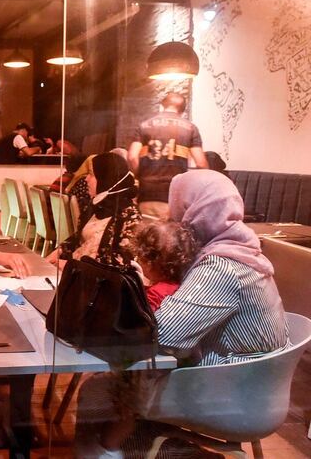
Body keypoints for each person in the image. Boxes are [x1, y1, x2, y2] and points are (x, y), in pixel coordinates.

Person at [75, 170, 289, 458]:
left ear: (191, 212)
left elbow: (161, 335)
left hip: (232, 392)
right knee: (110, 389)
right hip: (256, 386)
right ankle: (152, 446)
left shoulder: (220, 266)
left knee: (97, 393)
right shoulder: (243, 249)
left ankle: (121, 450)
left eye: (176, 206)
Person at [48, 152, 140, 267]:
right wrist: (58, 251)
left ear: (106, 179)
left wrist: (71, 265)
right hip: (74, 271)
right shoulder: (96, 206)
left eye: (91, 174)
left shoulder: (130, 216)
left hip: (94, 279)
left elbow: (121, 264)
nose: (86, 179)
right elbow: (76, 239)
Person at [128, 92, 208, 220]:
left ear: (162, 106)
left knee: (147, 234)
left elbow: (132, 156)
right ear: (182, 111)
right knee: (168, 237)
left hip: (147, 193)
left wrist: (140, 175)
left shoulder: (144, 126)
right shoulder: (191, 128)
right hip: (175, 196)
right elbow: (201, 164)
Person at [128, 220, 198, 312]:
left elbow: (135, 316)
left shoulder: (156, 293)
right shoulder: (172, 285)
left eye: (139, 257)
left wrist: (136, 287)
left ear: (149, 262)